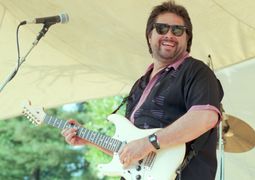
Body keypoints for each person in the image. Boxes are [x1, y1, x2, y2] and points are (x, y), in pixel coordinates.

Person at [61, 1, 224, 179]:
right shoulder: (140, 84)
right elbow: (131, 150)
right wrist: (89, 138)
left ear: (187, 39)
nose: (169, 35)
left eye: (177, 30)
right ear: (149, 36)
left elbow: (205, 118)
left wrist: (149, 143)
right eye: (161, 28)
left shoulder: (196, 71)